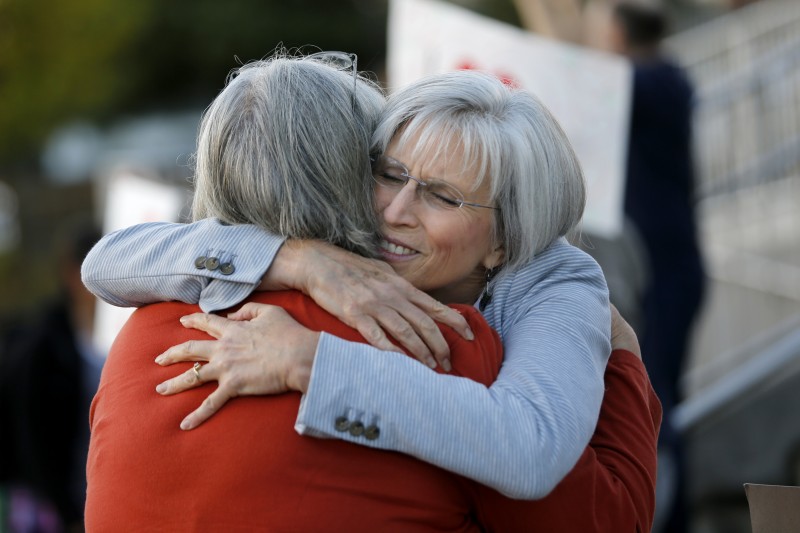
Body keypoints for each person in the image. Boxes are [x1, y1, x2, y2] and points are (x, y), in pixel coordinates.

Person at [85, 53, 659, 531]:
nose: (395, 210)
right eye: (387, 173)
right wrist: (296, 259)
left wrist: (313, 361)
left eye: (443, 196)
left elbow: (538, 456)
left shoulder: (508, 311)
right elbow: (105, 261)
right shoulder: (438, 342)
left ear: (505, 241)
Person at [610, 4, 706, 532]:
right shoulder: (661, 77)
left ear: (617, 29)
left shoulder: (648, 81)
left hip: (666, 269)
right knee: (662, 402)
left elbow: (575, 65)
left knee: (655, 406)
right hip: (671, 265)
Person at [0, 221, 103, 531]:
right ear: (75, 274)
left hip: (96, 498)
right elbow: (30, 431)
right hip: (50, 507)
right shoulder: (44, 345)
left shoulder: (119, 336)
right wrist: (64, 509)